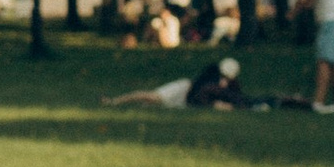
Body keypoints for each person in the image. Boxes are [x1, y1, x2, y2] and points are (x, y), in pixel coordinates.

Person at [103, 54, 248, 110]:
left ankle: (123, 105)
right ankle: (115, 102)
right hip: (184, 90)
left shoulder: (232, 85)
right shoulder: (210, 74)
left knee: (152, 104)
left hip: (186, 102)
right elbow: (200, 90)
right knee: (152, 97)